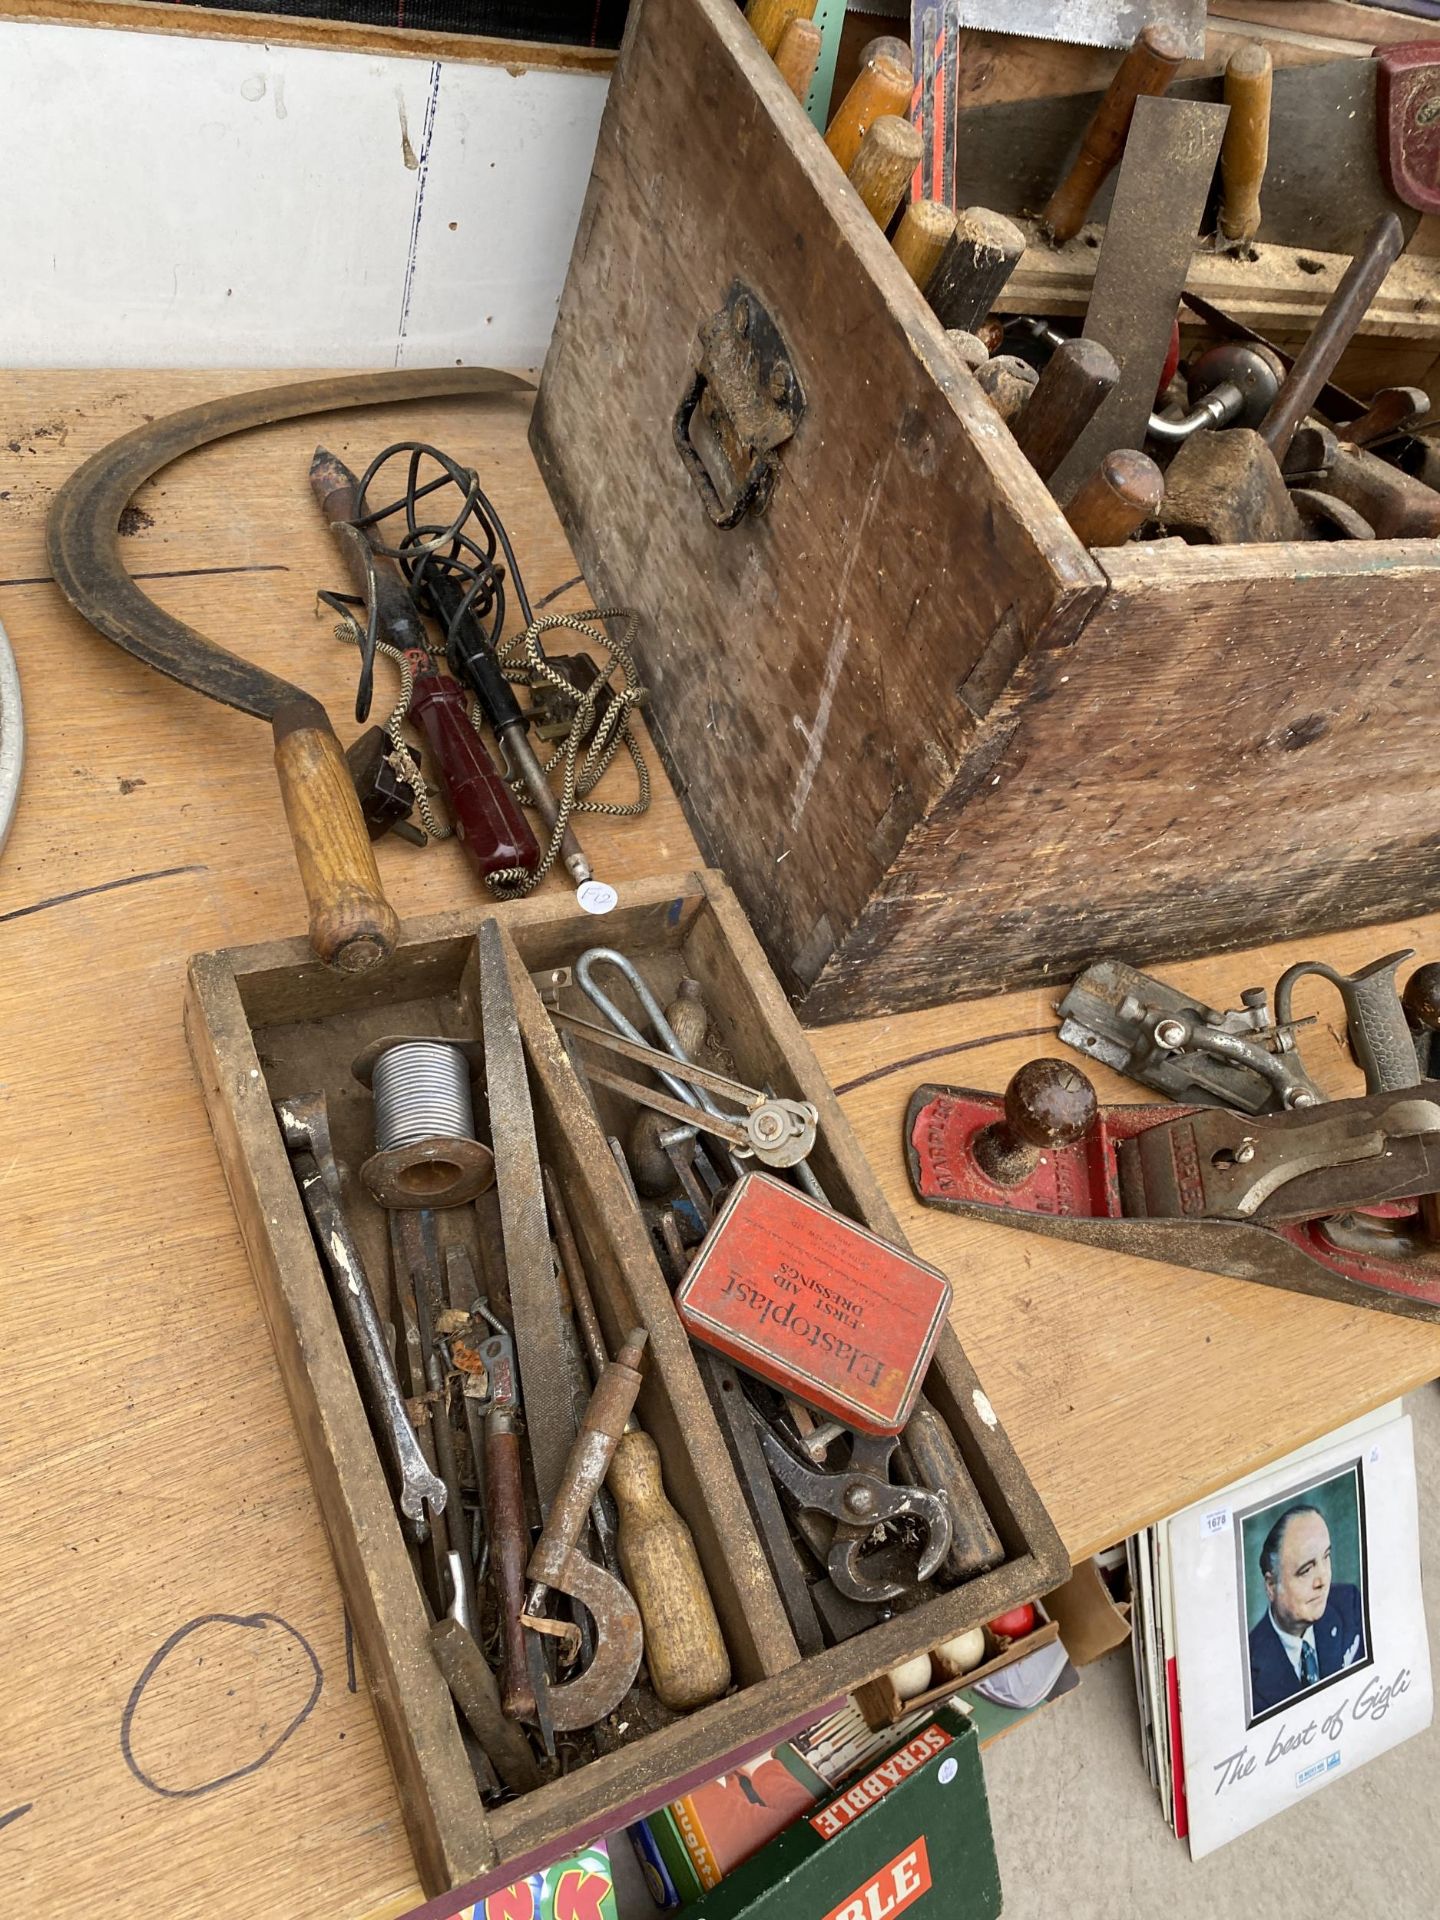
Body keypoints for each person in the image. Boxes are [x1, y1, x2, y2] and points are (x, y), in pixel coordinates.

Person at [1248, 1504, 1365, 1717]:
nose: (1323, 1580)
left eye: (1326, 1557)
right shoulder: (1247, 1668)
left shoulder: (1349, 1604)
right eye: (1306, 1570)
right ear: (1271, 1585)